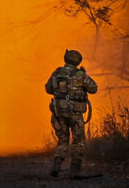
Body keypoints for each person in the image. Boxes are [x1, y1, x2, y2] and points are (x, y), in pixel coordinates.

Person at [45, 49, 97, 178]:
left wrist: (62, 92)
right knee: (78, 140)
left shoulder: (56, 73)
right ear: (78, 61)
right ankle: (75, 171)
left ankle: (57, 165)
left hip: (58, 111)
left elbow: (48, 88)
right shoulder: (79, 75)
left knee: (63, 138)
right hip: (74, 112)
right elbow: (94, 88)